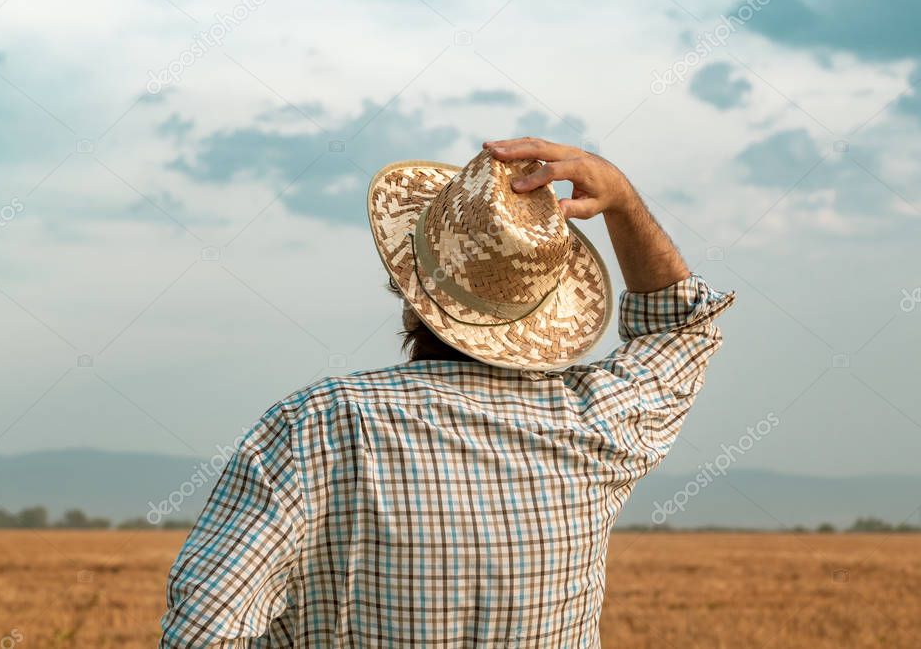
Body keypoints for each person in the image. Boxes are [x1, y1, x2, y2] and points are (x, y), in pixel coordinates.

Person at [160, 136, 735, 647]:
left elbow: (205, 625)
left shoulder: (319, 425)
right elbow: (680, 327)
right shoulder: (597, 422)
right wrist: (624, 201)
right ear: (545, 307)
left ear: (410, 286)